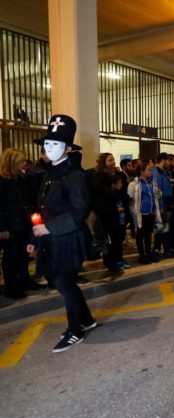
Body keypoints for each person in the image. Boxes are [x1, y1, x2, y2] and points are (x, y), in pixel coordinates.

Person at [28, 115, 98, 353]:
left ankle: (75, 330)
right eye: (47, 144)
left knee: (64, 282)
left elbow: (80, 211)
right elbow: (43, 208)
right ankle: (86, 320)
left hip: (68, 238)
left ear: (68, 148)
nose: (49, 148)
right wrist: (34, 238)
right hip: (52, 237)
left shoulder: (74, 175)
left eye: (55, 145)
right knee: (64, 282)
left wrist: (49, 228)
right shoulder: (51, 172)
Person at [0, 148, 46, 298]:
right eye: (21, 160)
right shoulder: (2, 181)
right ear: (12, 162)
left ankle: (25, 281)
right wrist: (3, 227)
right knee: (11, 257)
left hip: (23, 223)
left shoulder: (21, 179)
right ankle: (11, 287)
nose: (25, 163)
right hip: (10, 225)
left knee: (23, 255)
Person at [128, 163, 161, 264]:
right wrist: (135, 212)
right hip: (141, 214)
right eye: (148, 170)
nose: (150, 172)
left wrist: (159, 193)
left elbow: (157, 196)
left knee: (148, 234)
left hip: (150, 213)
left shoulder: (151, 182)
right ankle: (141, 255)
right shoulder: (134, 184)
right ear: (142, 171)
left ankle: (148, 253)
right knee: (140, 235)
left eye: (151, 170)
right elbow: (130, 199)